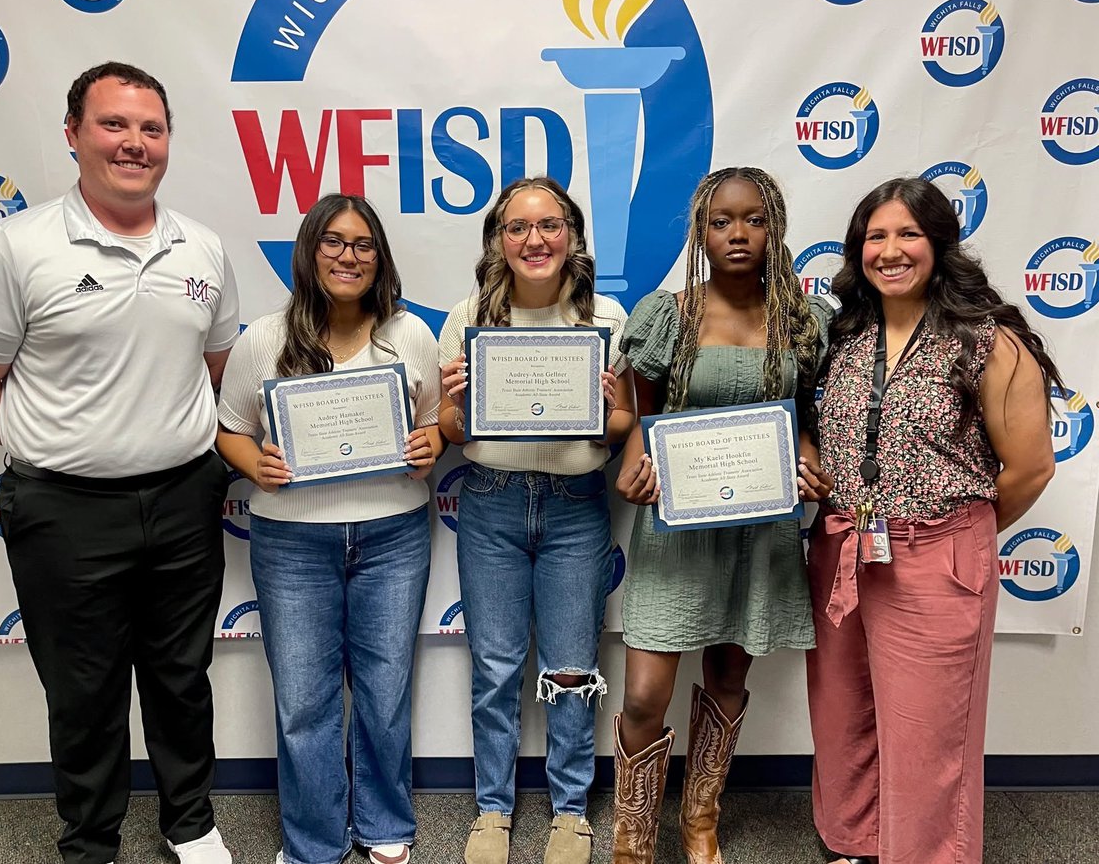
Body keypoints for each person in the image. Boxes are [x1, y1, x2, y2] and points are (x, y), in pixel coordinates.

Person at [0, 62, 238, 864]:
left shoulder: (201, 246)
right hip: (63, 510)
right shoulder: (14, 248)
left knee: (181, 676)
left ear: (167, 141)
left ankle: (190, 822)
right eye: (114, 125)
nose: (134, 144)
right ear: (73, 134)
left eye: (150, 128)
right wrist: (64, 442)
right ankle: (91, 839)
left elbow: (215, 370)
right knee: (83, 690)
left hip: (183, 498)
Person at [806, 177, 1059, 864]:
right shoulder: (845, 334)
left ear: (939, 243)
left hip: (936, 556)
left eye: (907, 234)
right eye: (876, 236)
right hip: (841, 550)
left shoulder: (986, 341)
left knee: (927, 734)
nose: (890, 250)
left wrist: (952, 534)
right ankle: (855, 846)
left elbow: (1031, 467)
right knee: (842, 716)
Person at [610, 167, 834, 864]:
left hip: (758, 528)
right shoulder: (667, 313)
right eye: (721, 221)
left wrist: (806, 456)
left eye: (754, 219)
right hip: (676, 526)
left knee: (730, 674)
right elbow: (641, 413)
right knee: (646, 692)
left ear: (775, 227)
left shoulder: (803, 318)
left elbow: (803, 417)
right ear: (700, 232)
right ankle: (633, 836)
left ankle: (700, 818)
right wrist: (630, 458)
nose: (738, 233)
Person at [215, 193, 442, 864]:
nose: (349, 255)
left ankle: (383, 822)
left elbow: (433, 420)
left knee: (386, 687)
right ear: (311, 250)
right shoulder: (263, 337)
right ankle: (314, 839)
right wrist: (255, 461)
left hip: (393, 535)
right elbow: (229, 430)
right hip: (292, 541)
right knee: (304, 700)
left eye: (363, 243)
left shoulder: (410, 335)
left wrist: (428, 443)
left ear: (380, 257)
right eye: (334, 241)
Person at [438, 176, 635, 864]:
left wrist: (609, 406)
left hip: (577, 507)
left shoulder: (606, 318)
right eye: (517, 227)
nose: (534, 239)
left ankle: (571, 812)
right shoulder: (468, 315)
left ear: (572, 235)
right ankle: (493, 808)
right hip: (490, 501)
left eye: (548, 225)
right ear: (498, 239)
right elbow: (448, 429)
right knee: (494, 666)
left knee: (573, 667)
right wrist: (459, 401)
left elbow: (621, 427)